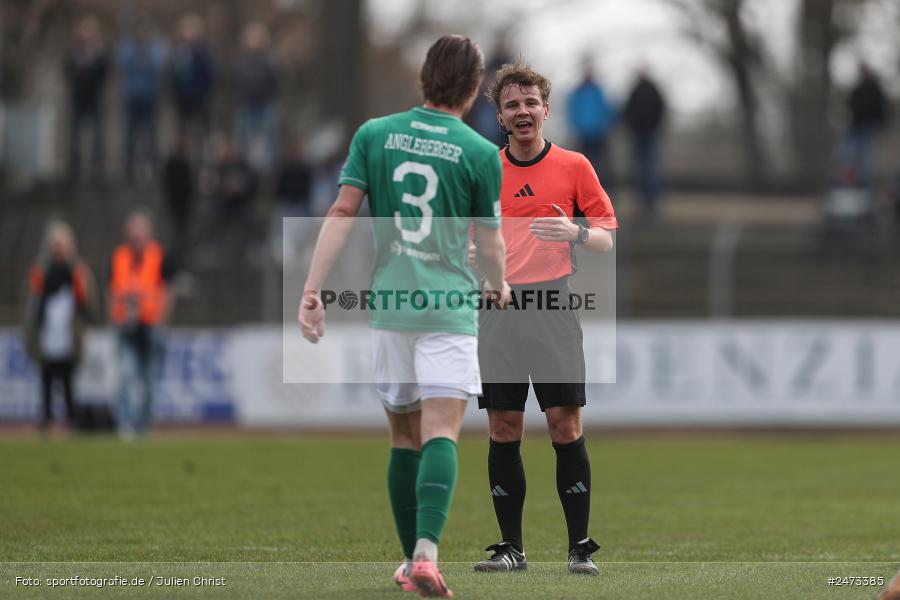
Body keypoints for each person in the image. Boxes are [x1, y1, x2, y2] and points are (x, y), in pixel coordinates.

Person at [298, 35, 509, 598]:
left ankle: (407, 560)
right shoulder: (481, 152)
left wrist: (312, 289)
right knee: (442, 430)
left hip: (392, 302)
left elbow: (343, 211)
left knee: (401, 436)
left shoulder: (374, 134)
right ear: (473, 90)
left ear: (423, 79)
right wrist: (500, 284)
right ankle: (425, 554)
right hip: (446, 304)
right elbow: (489, 243)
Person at [472, 60, 618, 576]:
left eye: (531, 102)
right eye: (512, 104)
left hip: (553, 306)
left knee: (564, 423)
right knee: (504, 425)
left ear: (546, 109)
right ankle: (511, 549)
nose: (523, 111)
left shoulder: (575, 166)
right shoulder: (482, 167)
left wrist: (576, 234)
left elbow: (605, 237)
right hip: (497, 309)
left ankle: (580, 547)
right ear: (500, 116)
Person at [24, 222, 97, 432]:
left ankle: (71, 419)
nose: (58, 249)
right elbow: (33, 304)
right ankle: (46, 419)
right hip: (48, 332)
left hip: (68, 332)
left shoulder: (78, 272)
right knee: (46, 376)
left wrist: (86, 325)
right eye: (55, 244)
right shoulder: (41, 271)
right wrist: (32, 332)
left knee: (68, 378)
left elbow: (87, 302)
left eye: (62, 244)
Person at [108, 211, 175, 439]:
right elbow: (112, 289)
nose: (136, 236)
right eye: (133, 232)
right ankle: (125, 424)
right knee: (126, 375)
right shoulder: (119, 256)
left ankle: (144, 425)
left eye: (140, 231)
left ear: (149, 233)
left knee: (148, 379)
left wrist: (162, 321)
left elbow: (167, 291)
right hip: (124, 325)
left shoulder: (159, 256)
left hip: (150, 324)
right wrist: (113, 317)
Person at [117, 26, 167, 182]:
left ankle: (153, 164)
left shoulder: (155, 48)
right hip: (132, 97)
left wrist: (146, 55)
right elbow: (122, 61)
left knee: (151, 134)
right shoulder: (128, 47)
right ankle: (129, 166)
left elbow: (158, 63)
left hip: (150, 97)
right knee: (130, 133)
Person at [64, 15, 109, 184]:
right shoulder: (74, 52)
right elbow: (68, 72)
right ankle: (74, 167)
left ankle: (97, 166)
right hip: (78, 97)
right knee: (74, 133)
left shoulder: (100, 52)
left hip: (95, 97)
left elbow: (104, 73)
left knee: (98, 133)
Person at [235, 23, 279, 174]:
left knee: (269, 140)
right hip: (247, 105)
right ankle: (244, 168)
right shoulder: (242, 62)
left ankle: (269, 172)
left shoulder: (269, 62)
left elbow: (275, 82)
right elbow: (238, 82)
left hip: (265, 104)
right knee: (244, 139)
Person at [837, 63, 888, 191]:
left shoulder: (875, 88)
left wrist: (880, 123)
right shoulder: (856, 88)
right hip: (856, 126)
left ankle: (866, 186)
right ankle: (846, 180)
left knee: (867, 159)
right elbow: (850, 105)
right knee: (846, 153)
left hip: (870, 127)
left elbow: (882, 108)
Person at [623, 68, 666, 215]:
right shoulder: (636, 91)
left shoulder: (650, 90)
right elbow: (627, 112)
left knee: (649, 169)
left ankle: (650, 202)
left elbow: (660, 110)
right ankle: (644, 202)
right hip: (640, 135)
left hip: (648, 135)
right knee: (643, 169)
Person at [566, 59, 616, 188]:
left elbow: (608, 111)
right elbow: (572, 112)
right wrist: (577, 127)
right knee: (582, 168)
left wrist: (605, 127)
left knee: (603, 167)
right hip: (583, 135)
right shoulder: (577, 92)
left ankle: (604, 192)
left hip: (599, 134)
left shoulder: (600, 91)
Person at [170, 14, 214, 144]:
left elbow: (209, 76)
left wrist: (202, 92)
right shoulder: (179, 52)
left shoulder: (203, 52)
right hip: (182, 100)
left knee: (200, 130)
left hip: (199, 98)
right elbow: (174, 76)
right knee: (183, 131)